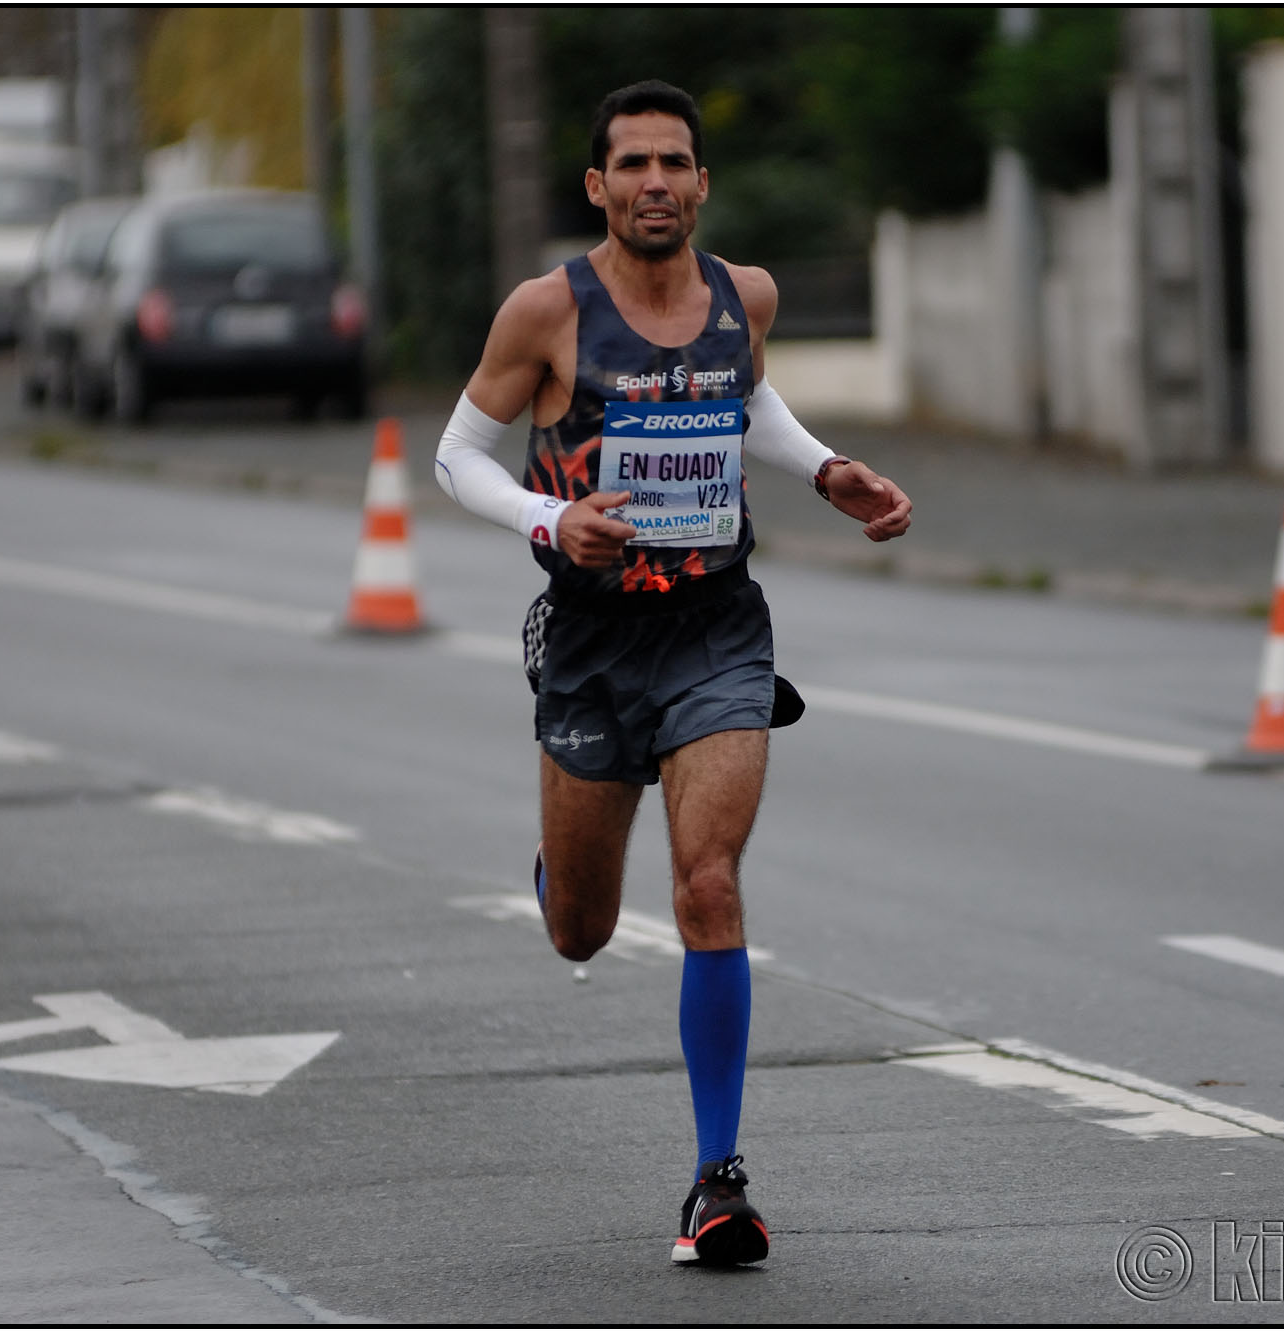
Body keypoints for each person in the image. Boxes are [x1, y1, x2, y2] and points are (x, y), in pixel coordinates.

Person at [434, 79, 912, 1268]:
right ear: (597, 186)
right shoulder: (546, 312)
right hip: (593, 641)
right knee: (582, 934)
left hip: (714, 628)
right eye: (632, 165)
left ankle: (716, 1182)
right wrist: (550, 524)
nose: (656, 183)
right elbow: (456, 455)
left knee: (707, 884)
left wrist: (826, 469)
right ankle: (562, 866)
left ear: (701, 183)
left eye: (675, 164)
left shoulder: (742, 296)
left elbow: (743, 400)